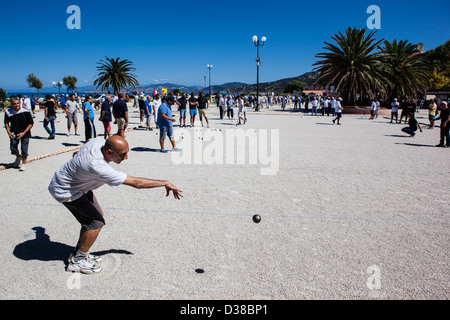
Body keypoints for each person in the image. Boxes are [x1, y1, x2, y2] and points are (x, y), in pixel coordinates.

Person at [48, 135, 183, 273]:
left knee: (96, 216)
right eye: (123, 154)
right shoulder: (96, 165)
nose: (126, 158)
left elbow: (88, 141)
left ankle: (78, 253)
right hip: (66, 190)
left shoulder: (99, 142)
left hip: (78, 184)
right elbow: (137, 183)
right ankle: (77, 261)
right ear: (108, 152)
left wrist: (79, 153)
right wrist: (164, 182)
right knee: (95, 222)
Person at [4, 98, 34, 171]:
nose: (16, 105)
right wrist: (8, 131)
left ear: (20, 103)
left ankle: (23, 164)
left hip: (25, 133)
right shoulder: (8, 112)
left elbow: (31, 123)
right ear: (12, 104)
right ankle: (18, 157)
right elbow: (6, 122)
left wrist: (23, 133)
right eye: (14, 104)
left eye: (17, 103)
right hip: (14, 132)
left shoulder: (25, 111)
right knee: (13, 148)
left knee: (24, 149)